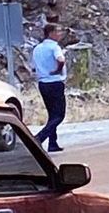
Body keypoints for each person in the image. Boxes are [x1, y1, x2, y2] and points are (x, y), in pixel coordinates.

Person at [31, 22, 67, 153]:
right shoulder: (54, 47)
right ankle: (40, 138)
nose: (60, 34)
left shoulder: (37, 48)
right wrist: (58, 70)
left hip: (43, 84)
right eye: (58, 32)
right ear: (51, 33)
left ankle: (53, 143)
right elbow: (60, 60)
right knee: (59, 115)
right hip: (55, 82)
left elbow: (33, 67)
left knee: (52, 114)